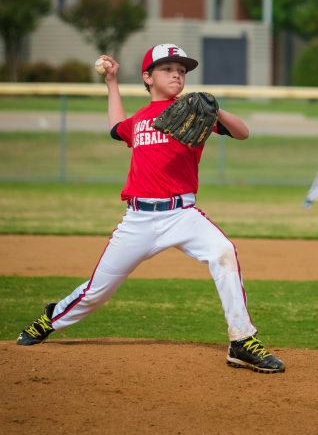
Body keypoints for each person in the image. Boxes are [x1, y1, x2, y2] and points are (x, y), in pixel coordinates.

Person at [17, 43, 285, 374]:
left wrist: (216, 111)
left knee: (223, 252)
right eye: (168, 69)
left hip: (182, 214)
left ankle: (241, 341)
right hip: (139, 220)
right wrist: (112, 83)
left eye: (182, 71)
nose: (177, 75)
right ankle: (49, 319)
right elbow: (117, 128)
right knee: (95, 294)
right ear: (147, 77)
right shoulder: (140, 119)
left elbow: (243, 134)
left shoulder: (192, 111)